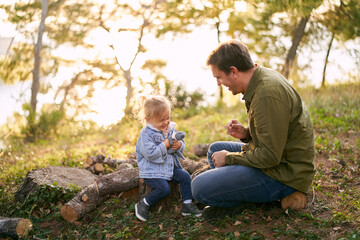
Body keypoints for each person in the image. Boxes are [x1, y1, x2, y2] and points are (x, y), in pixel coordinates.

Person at [191, 40, 316, 220]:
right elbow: (277, 128)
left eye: (219, 77)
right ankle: (243, 193)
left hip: (285, 174)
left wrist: (229, 158)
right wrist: (247, 133)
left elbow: (270, 157)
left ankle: (247, 202)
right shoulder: (260, 77)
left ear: (234, 71)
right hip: (279, 158)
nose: (219, 83)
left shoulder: (267, 94)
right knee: (215, 150)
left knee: (199, 188)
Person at [134, 95, 202, 222]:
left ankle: (187, 204)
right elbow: (151, 154)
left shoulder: (170, 129)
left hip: (169, 168)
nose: (166, 122)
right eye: (161, 120)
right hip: (152, 172)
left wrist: (179, 146)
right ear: (148, 120)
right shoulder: (145, 134)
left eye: (168, 118)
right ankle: (144, 203)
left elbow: (178, 144)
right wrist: (164, 145)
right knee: (164, 189)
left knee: (185, 176)